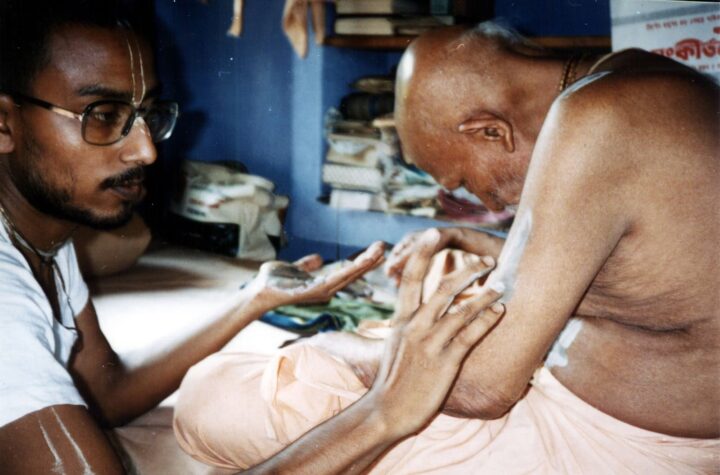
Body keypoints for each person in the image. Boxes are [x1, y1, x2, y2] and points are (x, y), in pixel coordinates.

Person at [173, 23, 720, 473]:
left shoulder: (597, 119)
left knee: (214, 398)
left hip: (608, 446)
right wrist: (464, 238)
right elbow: (630, 268)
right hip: (609, 408)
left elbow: (484, 388)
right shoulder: (635, 76)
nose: (463, 196)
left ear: (490, 131)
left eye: (457, 181)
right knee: (440, 282)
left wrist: (338, 351)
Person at [0, 2, 405, 472]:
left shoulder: (42, 235)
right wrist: (383, 416)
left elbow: (106, 391)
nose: (146, 149)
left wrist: (254, 297)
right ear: (5, 122)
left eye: (147, 114)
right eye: (103, 114)